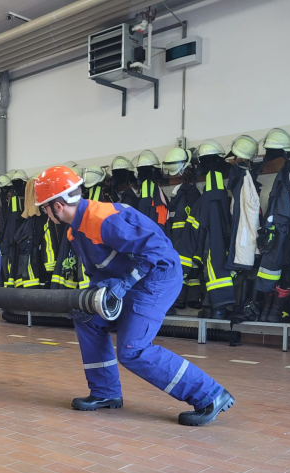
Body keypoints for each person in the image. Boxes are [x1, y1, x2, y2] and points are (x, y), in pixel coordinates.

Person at [33, 166, 235, 426]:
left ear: (58, 206)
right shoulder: (76, 230)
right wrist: (92, 299)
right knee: (88, 320)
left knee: (133, 349)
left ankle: (210, 394)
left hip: (158, 279)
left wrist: (125, 283)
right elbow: (99, 269)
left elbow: (156, 252)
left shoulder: (103, 219)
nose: (45, 213)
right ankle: (105, 392)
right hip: (131, 282)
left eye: (44, 208)